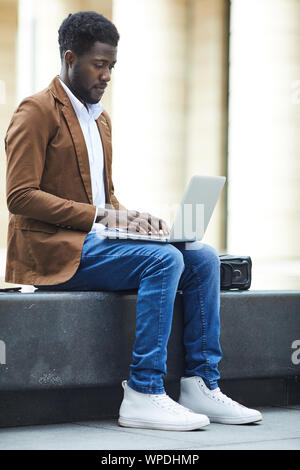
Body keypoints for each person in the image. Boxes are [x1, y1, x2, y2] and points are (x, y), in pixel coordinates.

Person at [5, 11, 262, 431]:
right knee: (163, 262)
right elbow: (20, 197)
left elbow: (102, 198)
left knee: (202, 257)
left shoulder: (99, 119)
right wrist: (102, 214)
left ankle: (201, 385)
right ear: (70, 59)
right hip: (53, 253)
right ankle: (144, 391)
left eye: (112, 66)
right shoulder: (35, 111)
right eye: (99, 65)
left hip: (93, 242)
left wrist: (132, 218)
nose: (107, 75)